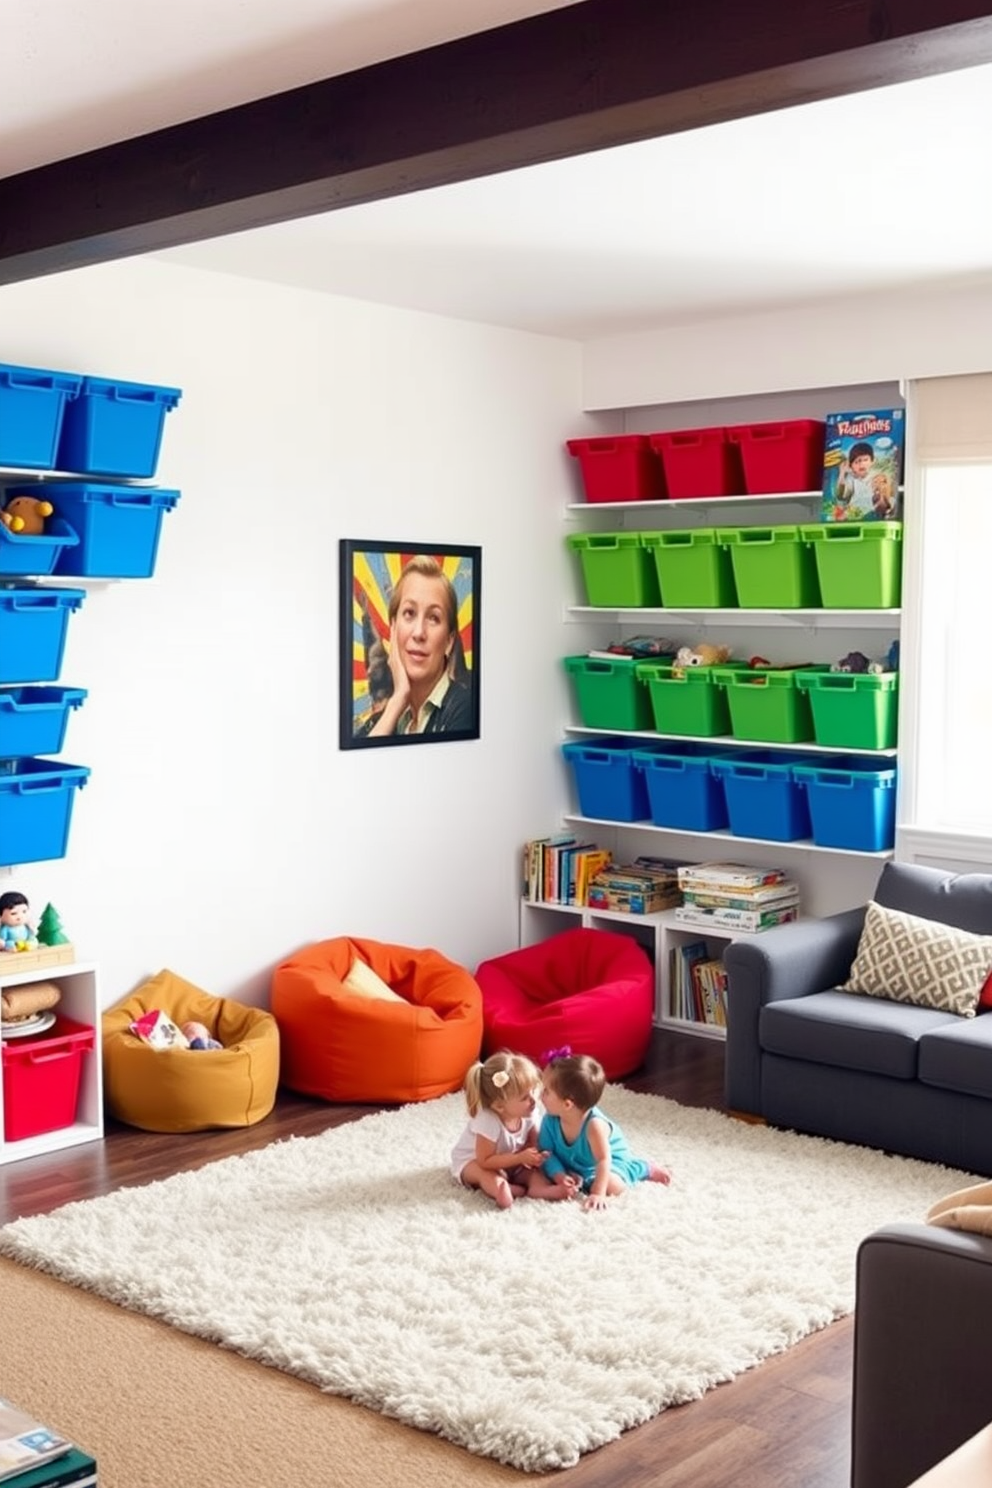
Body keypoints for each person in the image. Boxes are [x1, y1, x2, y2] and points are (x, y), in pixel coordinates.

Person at [538, 1050, 672, 1211]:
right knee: (543, 1174)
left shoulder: (594, 1126)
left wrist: (598, 1193)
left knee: (612, 1187)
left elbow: (603, 1160)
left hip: (610, 1161)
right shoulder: (550, 1119)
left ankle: (641, 1167)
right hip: (576, 1164)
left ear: (567, 1104)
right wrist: (559, 1176)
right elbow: (546, 1152)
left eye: (546, 1091)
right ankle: (581, 1176)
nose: (540, 1095)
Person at [368, 555, 473, 737]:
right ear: (393, 629)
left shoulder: (466, 708)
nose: (418, 633)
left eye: (433, 618)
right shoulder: (384, 719)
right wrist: (399, 698)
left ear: (449, 641)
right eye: (409, 613)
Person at [450, 1051, 561, 1209]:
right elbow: (485, 1160)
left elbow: (534, 1142)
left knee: (533, 1172)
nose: (533, 1100)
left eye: (534, 1091)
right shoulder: (487, 1120)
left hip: (510, 1158)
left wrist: (536, 1155)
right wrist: (519, 1158)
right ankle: (501, 1189)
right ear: (499, 1106)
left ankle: (539, 1188)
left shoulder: (529, 1111)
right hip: (474, 1161)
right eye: (524, 1097)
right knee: (485, 1174)